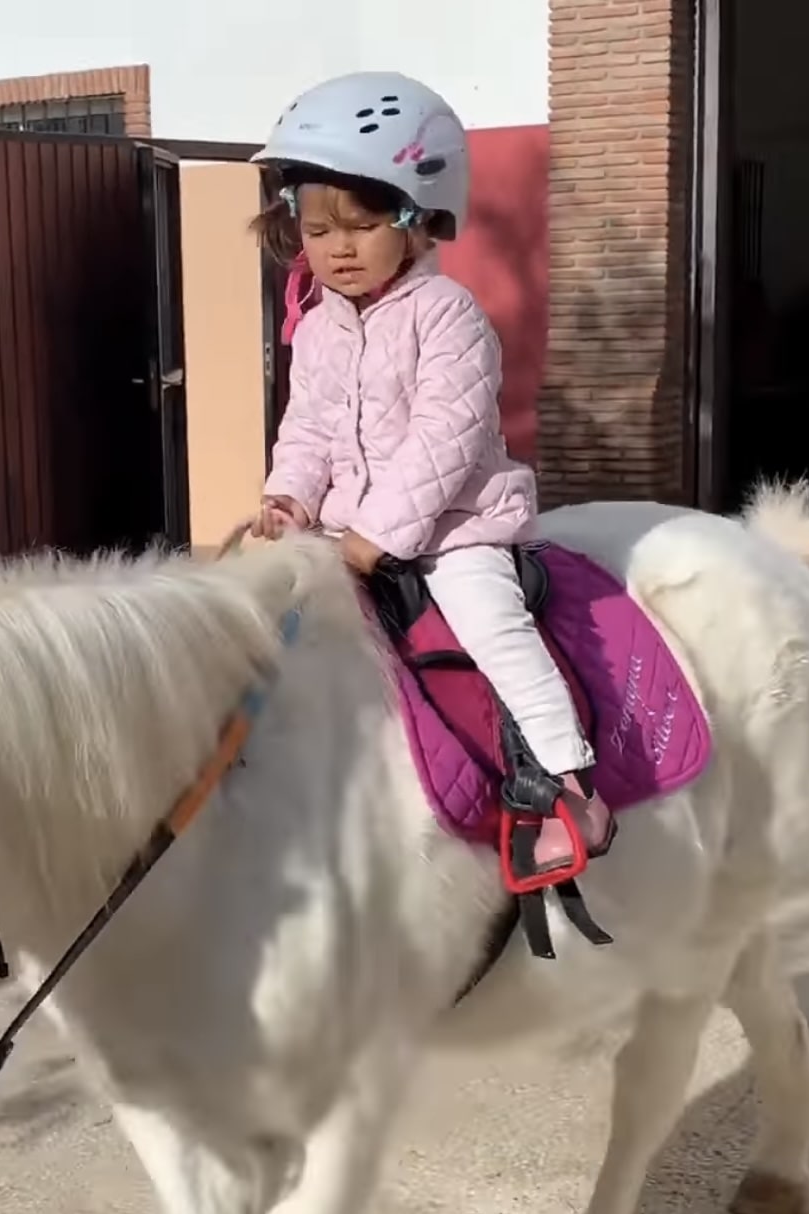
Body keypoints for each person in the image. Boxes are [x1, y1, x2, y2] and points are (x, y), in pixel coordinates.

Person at [245, 71, 612, 864]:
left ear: (417, 221)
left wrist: (378, 536)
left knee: (488, 622)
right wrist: (289, 501)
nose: (337, 248)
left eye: (363, 223)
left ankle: (564, 779)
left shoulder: (450, 317)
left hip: (452, 527)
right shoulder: (316, 326)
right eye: (315, 229)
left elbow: (446, 437)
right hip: (344, 529)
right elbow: (306, 426)